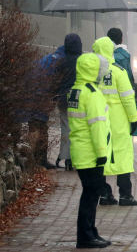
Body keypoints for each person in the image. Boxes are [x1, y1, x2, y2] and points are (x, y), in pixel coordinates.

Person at [67, 53, 112, 249]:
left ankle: (90, 232)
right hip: (92, 152)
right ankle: (86, 236)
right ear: (93, 70)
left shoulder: (76, 90)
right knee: (91, 194)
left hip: (80, 149)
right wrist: (102, 152)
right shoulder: (92, 93)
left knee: (90, 192)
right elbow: (97, 126)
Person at [92, 37, 137, 206]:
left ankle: (104, 194)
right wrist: (134, 119)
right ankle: (125, 195)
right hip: (118, 121)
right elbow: (128, 98)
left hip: (97, 120)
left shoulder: (90, 72)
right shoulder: (118, 71)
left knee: (100, 155)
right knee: (123, 155)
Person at [107, 28, 137, 136]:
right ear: (121, 39)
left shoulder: (111, 57)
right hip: (123, 98)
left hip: (114, 101)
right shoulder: (124, 55)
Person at [56, 33, 83, 170]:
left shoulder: (61, 62)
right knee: (79, 129)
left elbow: (56, 82)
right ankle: (78, 157)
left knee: (66, 129)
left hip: (63, 99)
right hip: (79, 100)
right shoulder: (83, 61)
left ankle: (67, 159)